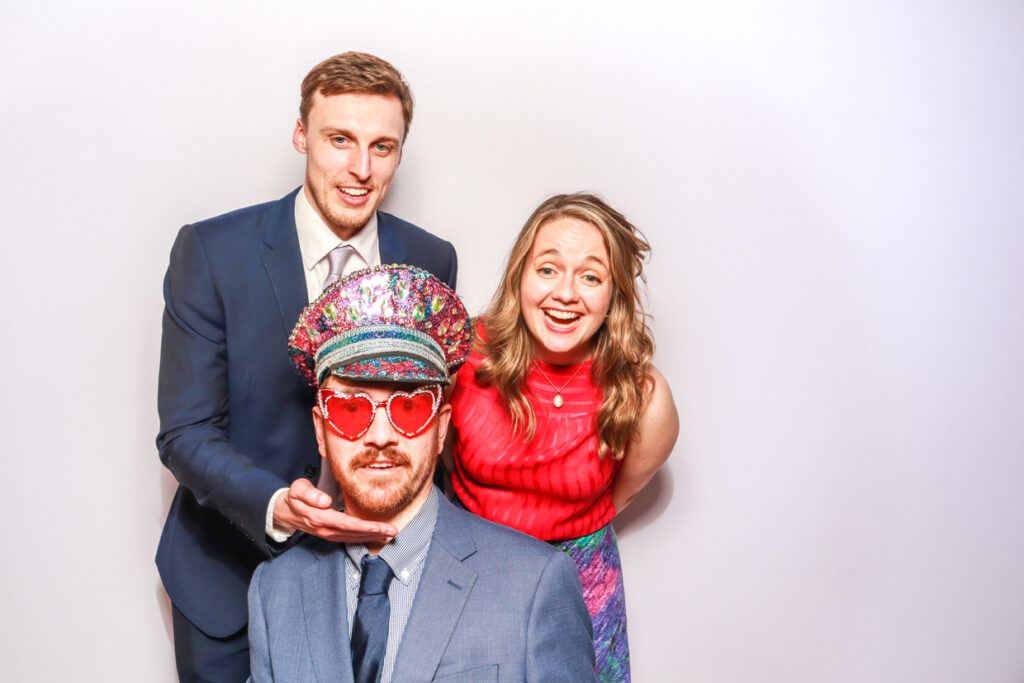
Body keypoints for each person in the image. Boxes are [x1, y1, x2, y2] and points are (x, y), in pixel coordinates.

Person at [156, 52, 458, 681]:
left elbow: (427, 417)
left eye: (382, 146)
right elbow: (185, 432)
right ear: (302, 136)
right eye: (339, 140)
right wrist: (275, 503)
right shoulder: (213, 252)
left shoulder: (430, 259)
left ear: (400, 154)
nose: (360, 168)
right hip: (228, 576)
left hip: (379, 571)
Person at [248, 265, 596, 682]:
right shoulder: (274, 592)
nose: (381, 436)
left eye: (408, 408)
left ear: (441, 429)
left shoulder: (535, 585)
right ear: (321, 432)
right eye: (352, 410)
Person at [446, 192, 680, 682]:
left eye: (590, 276)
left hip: (582, 584)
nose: (566, 293)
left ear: (613, 293)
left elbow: (620, 493)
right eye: (548, 269)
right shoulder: (462, 360)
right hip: (466, 570)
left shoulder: (642, 396)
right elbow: (438, 464)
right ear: (520, 275)